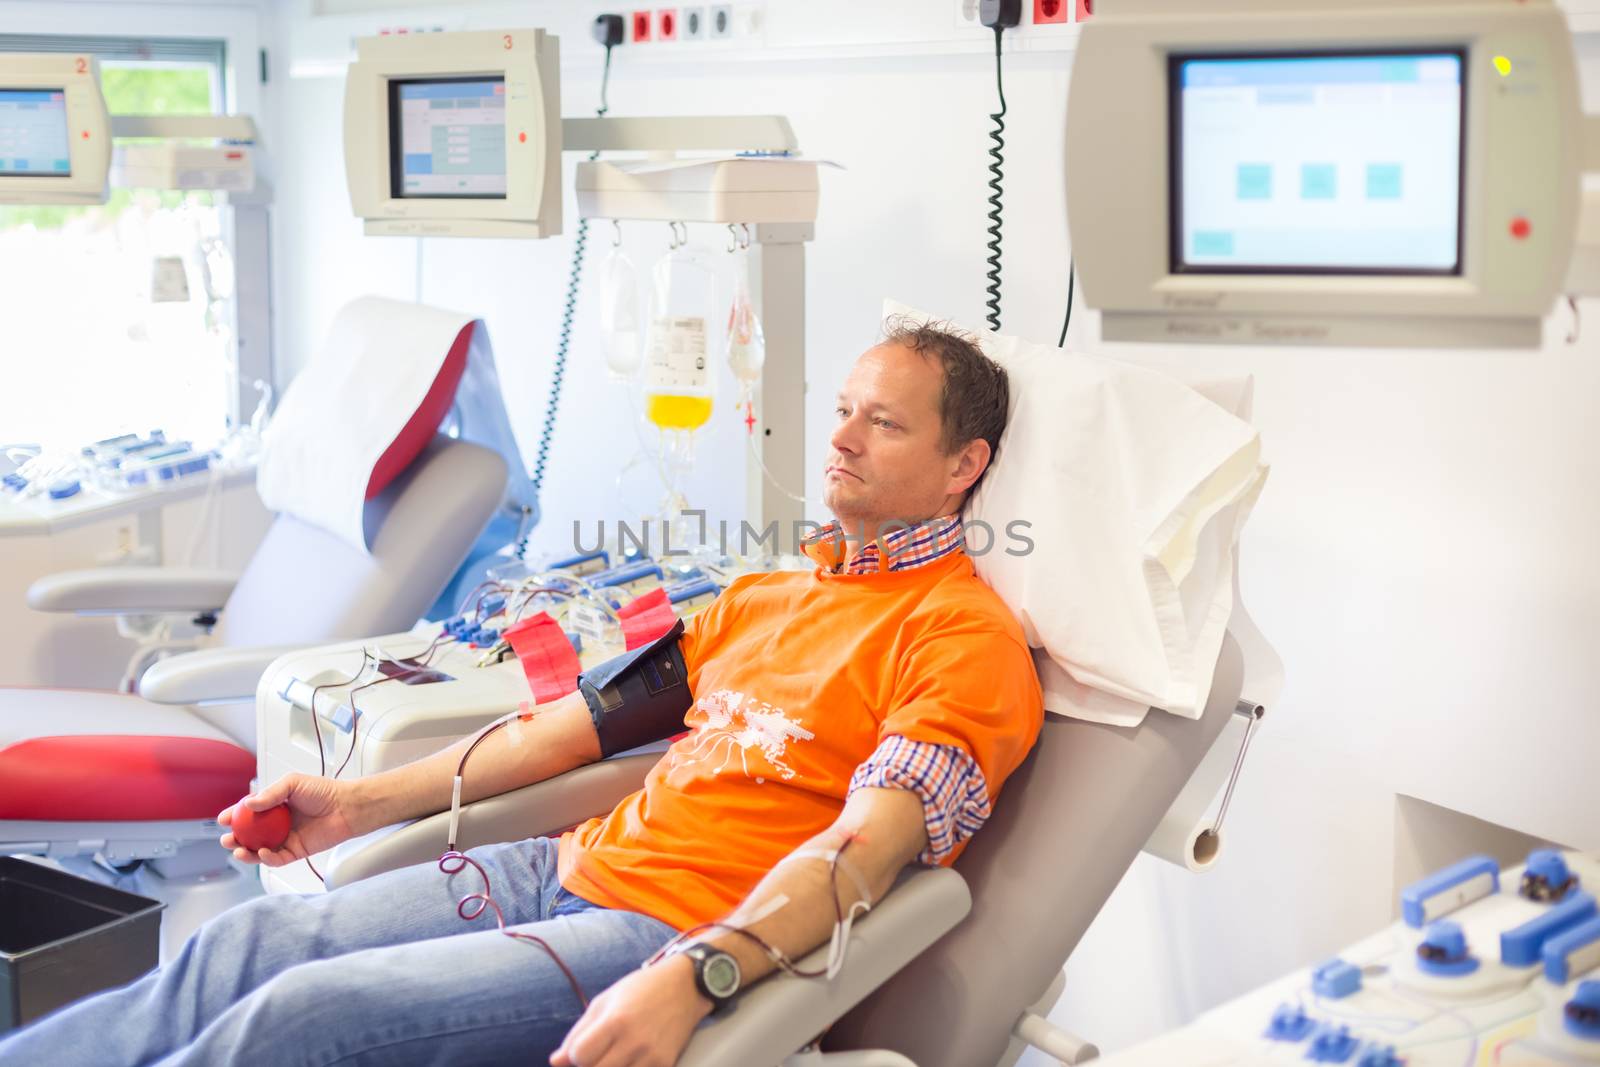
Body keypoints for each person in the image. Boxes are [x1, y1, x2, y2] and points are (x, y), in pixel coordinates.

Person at [0, 319, 1044, 1067]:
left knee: (303, 1015)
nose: (844, 438)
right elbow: (575, 726)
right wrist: (356, 803)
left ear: (966, 463)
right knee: (240, 943)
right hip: (562, 868)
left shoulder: (961, 637)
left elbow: (864, 851)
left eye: (886, 424)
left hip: (663, 928)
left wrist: (698, 974)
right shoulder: (765, 592)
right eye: (845, 410)